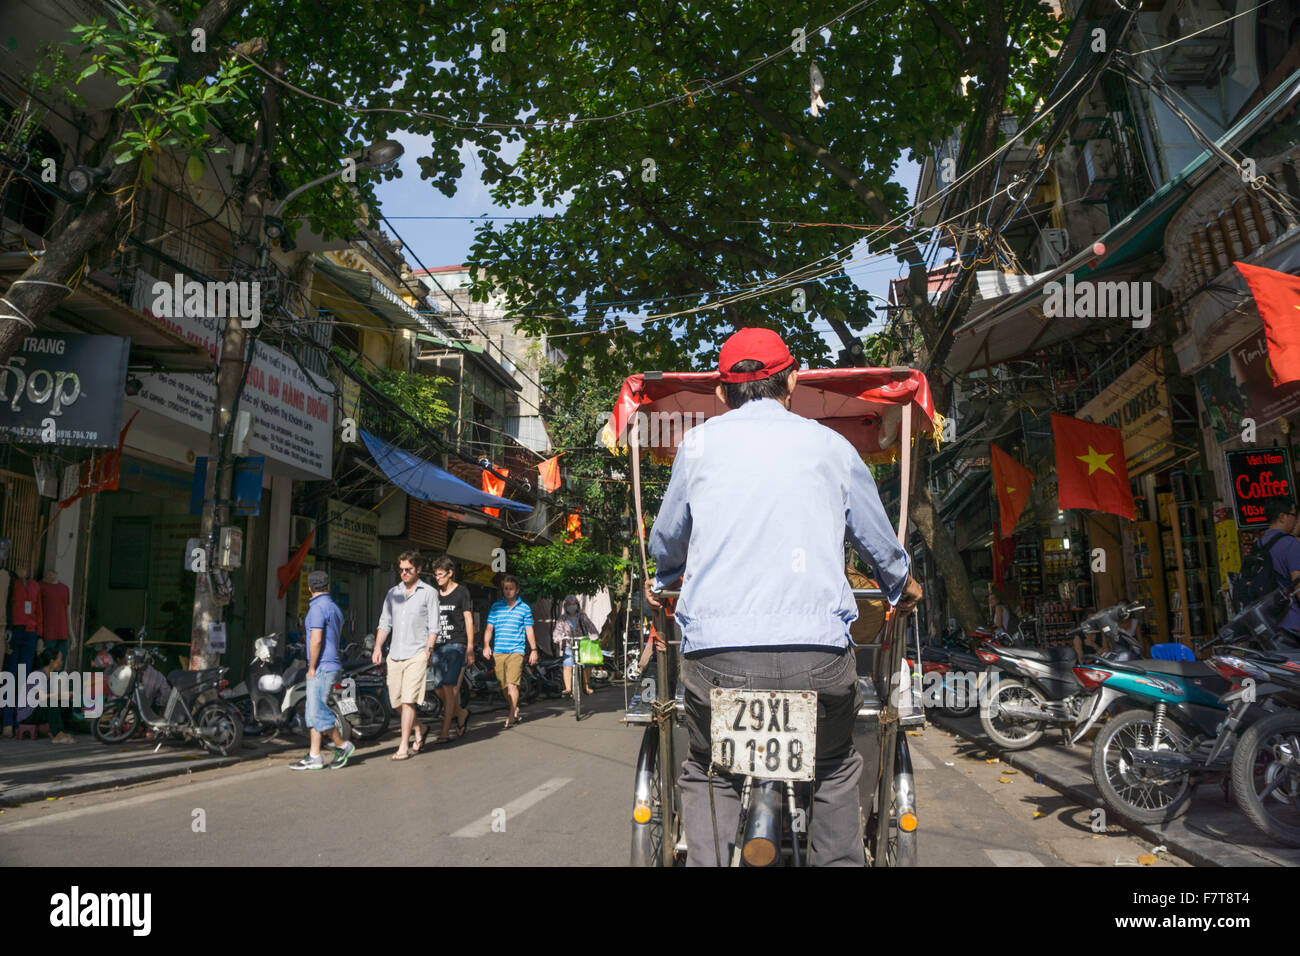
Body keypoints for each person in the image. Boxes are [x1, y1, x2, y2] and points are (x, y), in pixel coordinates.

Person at [646, 327, 922, 867]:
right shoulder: (831, 447)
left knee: (710, 768)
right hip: (816, 662)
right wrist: (903, 586)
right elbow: (880, 546)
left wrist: (663, 580)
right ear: (791, 382)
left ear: (723, 393)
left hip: (717, 663)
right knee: (836, 766)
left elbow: (667, 542)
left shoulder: (696, 447)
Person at [373, 551, 439, 759]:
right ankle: (419, 727)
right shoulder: (393, 593)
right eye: (401, 570)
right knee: (395, 702)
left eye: (408, 569)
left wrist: (428, 650)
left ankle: (403, 745)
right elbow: (385, 623)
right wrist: (377, 647)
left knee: (409, 700)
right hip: (395, 654)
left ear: (418, 569)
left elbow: (434, 627)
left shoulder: (429, 593)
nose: (404, 573)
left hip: (417, 654)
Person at [291, 570, 355, 770]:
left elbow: (316, 639)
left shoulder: (317, 609)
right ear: (327, 587)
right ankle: (315, 755)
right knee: (312, 711)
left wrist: (311, 667)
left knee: (317, 711)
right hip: (332, 664)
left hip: (322, 666)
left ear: (310, 588)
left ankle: (342, 745)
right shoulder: (334, 608)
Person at [482, 575, 538, 729]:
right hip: (499, 651)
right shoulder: (495, 607)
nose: (508, 591)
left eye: (511, 588)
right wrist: (486, 645)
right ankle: (514, 708)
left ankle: (511, 714)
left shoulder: (524, 608)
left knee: (512, 684)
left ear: (517, 590)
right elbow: (489, 628)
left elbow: (529, 630)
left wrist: (533, 650)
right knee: (503, 686)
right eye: (505, 588)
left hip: (516, 651)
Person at [430, 555, 473, 744]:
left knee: (450, 688)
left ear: (450, 573)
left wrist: (470, 646)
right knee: (439, 688)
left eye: (440, 575)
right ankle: (461, 713)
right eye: (436, 575)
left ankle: (444, 732)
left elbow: (469, 619)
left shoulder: (461, 592)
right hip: (439, 646)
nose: (437, 578)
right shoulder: (434, 594)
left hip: (457, 644)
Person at [2, 566, 42, 737]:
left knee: (24, 678)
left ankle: (20, 721)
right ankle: (6, 723)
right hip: (15, 631)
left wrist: (39, 635)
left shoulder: (35, 585)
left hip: (30, 633)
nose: (23, 569)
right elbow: (6, 605)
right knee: (9, 677)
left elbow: (38, 611)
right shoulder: (11, 582)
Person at [1256, 498, 1300, 639]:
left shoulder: (1258, 545)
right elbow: (1298, 584)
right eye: (1293, 516)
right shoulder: (1290, 544)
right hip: (1292, 623)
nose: (1295, 521)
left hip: (1267, 623)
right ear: (1282, 517)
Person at [26, 648, 75, 744]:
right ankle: (57, 735)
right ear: (52, 662)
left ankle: (62, 731)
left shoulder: (53, 676)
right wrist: (61, 695)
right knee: (52, 701)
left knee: (65, 702)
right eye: (60, 659)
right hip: (30, 714)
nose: (62, 662)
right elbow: (41, 697)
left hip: (42, 710)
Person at [553, 594, 598, 697]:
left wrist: (594, 635)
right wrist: (557, 638)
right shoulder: (562, 619)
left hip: (583, 644)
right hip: (569, 645)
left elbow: (591, 627)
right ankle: (568, 688)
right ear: (565, 606)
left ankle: (586, 686)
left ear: (577, 605)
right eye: (569, 604)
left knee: (588, 664)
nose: (571, 606)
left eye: (573, 604)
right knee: (567, 664)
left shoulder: (582, 616)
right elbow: (557, 632)